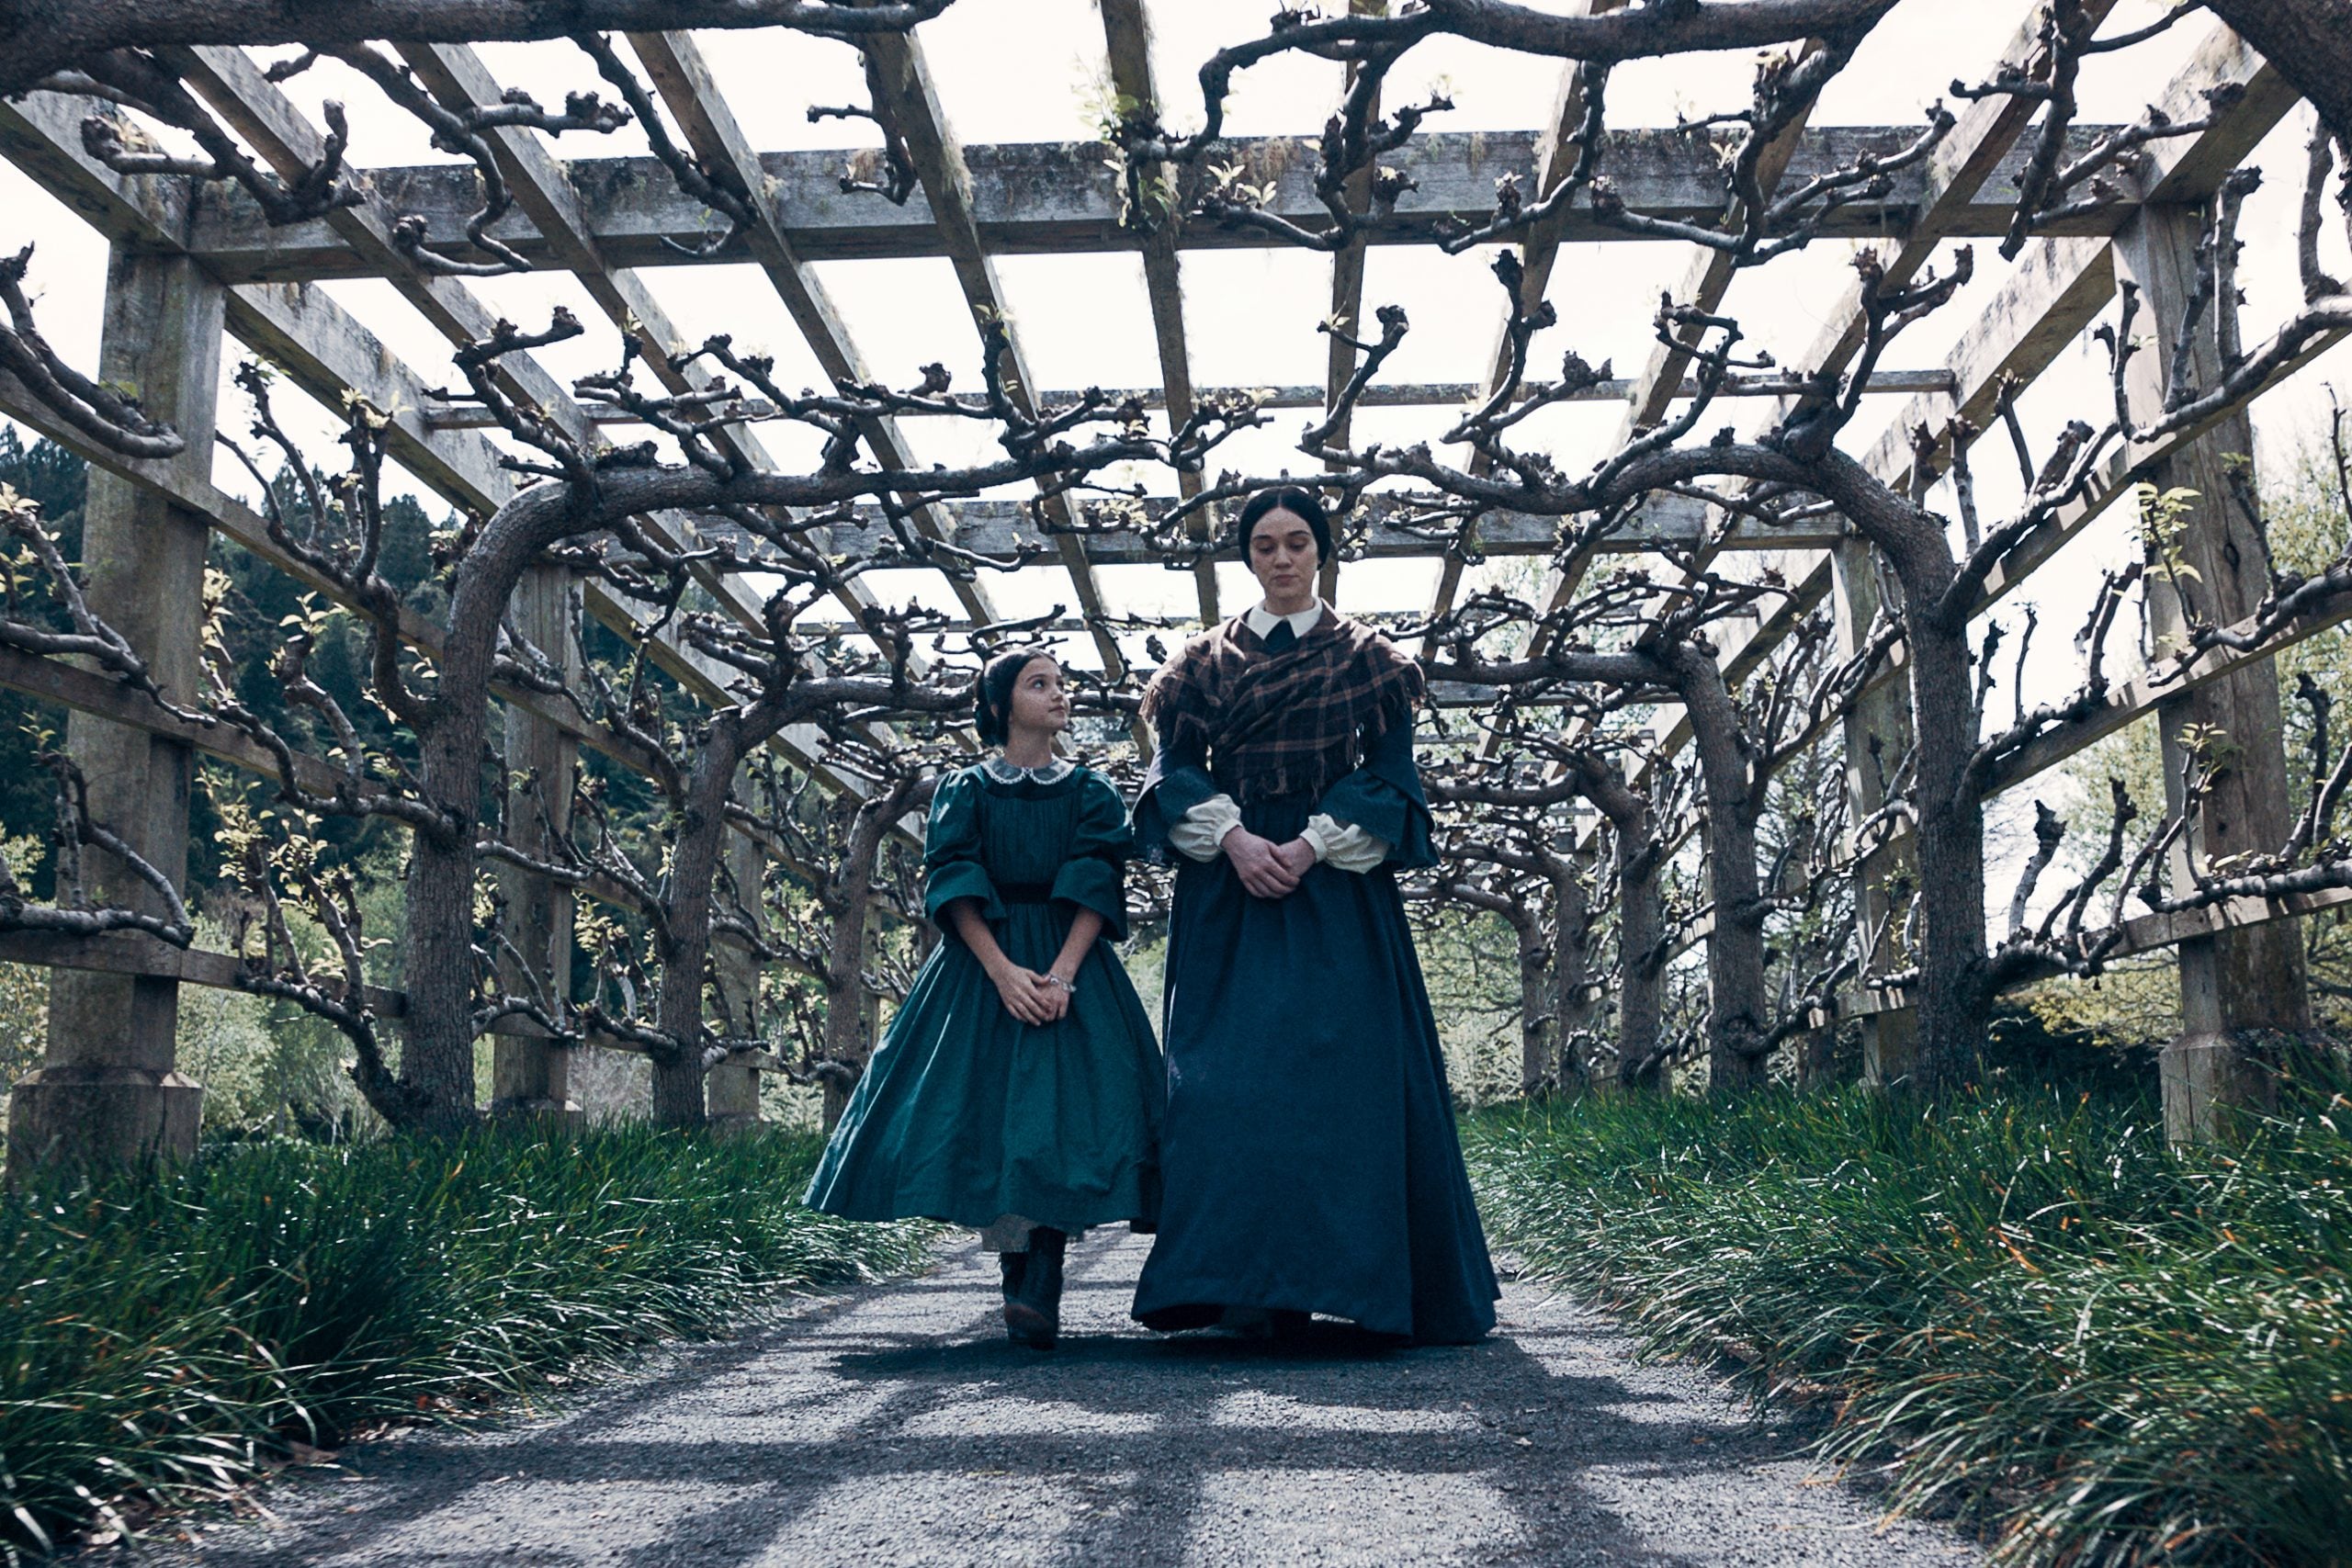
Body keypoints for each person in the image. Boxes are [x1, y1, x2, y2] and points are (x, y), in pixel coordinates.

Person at [1129, 486, 1499, 1346]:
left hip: (1335, 895)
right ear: (1247, 559)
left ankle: (1362, 1284)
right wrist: (1235, 840)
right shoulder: (1197, 665)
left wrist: (1309, 846)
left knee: (1348, 1083)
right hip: (1233, 893)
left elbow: (1395, 775)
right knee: (1226, 1084)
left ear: (1323, 552)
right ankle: (1243, 1285)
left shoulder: (1370, 658)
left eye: (1298, 542)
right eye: (1265, 545)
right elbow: (1172, 771)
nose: (1283, 558)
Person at [805, 649, 1163, 1349]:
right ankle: (1016, 1263)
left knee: (1064, 1116)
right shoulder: (964, 789)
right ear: (1000, 705)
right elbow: (955, 879)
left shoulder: (1090, 790)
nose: (1059, 693)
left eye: (1062, 682)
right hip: (982, 967)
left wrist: (1060, 976)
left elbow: (1096, 883)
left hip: (1071, 964)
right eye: (1040, 684)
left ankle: (1044, 1268)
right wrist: (1001, 972)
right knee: (992, 1112)